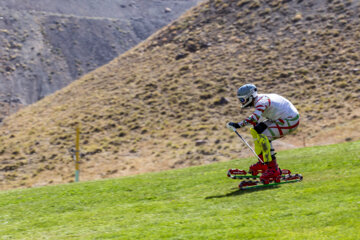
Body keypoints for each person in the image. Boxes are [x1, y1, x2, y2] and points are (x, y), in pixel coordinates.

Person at [226, 83, 300, 183]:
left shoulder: (262, 101)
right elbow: (255, 120)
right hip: (279, 118)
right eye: (240, 100)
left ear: (251, 96)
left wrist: (238, 125)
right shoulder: (259, 100)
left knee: (265, 136)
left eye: (243, 99)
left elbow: (254, 118)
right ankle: (263, 163)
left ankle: (273, 169)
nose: (242, 102)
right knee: (255, 130)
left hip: (290, 120)